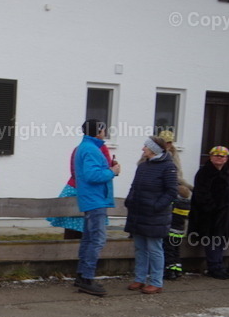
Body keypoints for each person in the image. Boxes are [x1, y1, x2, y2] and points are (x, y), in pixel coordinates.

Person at [124, 137, 178, 294]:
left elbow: (171, 192)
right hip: (138, 213)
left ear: (154, 149)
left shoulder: (168, 167)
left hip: (155, 215)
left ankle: (156, 281)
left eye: (146, 147)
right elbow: (134, 186)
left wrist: (157, 207)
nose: (143, 149)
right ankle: (140, 279)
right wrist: (130, 200)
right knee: (140, 247)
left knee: (155, 248)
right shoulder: (143, 166)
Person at [74, 119, 121, 296]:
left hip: (90, 199)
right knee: (97, 239)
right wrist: (112, 172)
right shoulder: (92, 149)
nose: (105, 131)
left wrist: (109, 170)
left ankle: (81, 275)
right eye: (103, 129)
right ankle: (87, 278)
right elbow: (92, 175)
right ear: (97, 131)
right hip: (95, 201)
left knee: (88, 238)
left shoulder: (86, 147)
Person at [188, 146, 229, 279]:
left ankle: (219, 265)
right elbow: (201, 194)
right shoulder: (204, 173)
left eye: (222, 156)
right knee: (212, 240)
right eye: (216, 155)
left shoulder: (227, 173)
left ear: (226, 159)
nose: (219, 158)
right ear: (210, 157)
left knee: (221, 240)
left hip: (225, 215)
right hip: (209, 216)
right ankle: (214, 267)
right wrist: (212, 208)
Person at [47, 141, 113, 240]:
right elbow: (104, 170)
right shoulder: (100, 148)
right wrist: (113, 171)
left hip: (75, 188)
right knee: (89, 231)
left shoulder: (80, 148)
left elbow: (74, 171)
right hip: (91, 193)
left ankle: (71, 252)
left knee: (73, 227)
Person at [153, 130, 193, 280]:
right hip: (166, 196)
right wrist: (186, 186)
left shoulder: (174, 154)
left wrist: (184, 188)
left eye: (169, 142)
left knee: (176, 231)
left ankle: (175, 264)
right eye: (165, 142)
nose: (168, 145)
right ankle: (169, 265)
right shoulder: (154, 155)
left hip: (177, 197)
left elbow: (178, 176)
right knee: (167, 233)